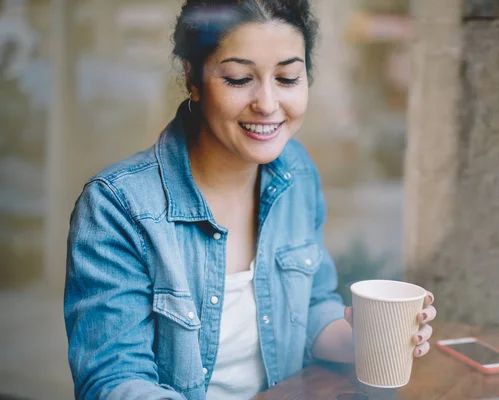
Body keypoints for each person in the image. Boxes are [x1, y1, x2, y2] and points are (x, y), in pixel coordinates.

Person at [63, 1, 436, 399]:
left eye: (288, 78)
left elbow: (308, 308)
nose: (268, 104)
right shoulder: (117, 206)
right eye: (240, 79)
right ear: (193, 77)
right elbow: (115, 382)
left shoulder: (296, 173)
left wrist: (363, 339)